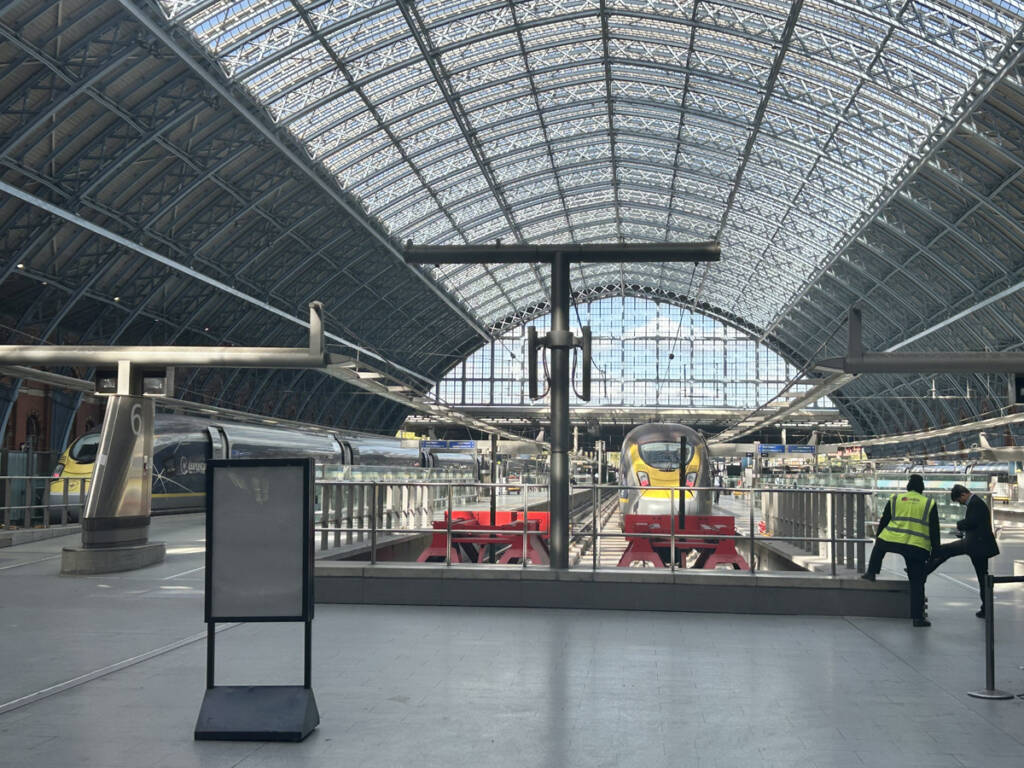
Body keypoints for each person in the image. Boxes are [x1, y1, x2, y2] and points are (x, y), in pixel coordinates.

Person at [861, 474, 940, 627]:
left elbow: (884, 521)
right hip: (917, 545)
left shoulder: (896, 499)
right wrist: (935, 551)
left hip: (893, 539)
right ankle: (918, 618)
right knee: (916, 582)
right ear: (922, 488)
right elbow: (934, 530)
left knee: (880, 546)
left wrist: (879, 538)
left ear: (907, 487)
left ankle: (871, 572)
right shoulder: (929, 503)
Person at [925, 484, 999, 618]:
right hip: (976, 545)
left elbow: (972, 522)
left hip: (977, 546)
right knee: (947, 552)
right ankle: (986, 608)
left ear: (963, 494)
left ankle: (924, 569)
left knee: (946, 550)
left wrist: (960, 524)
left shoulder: (975, 503)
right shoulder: (976, 502)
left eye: (960, 501)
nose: (960, 504)